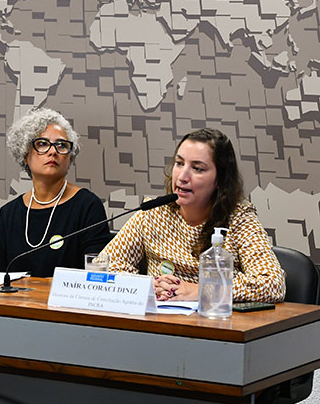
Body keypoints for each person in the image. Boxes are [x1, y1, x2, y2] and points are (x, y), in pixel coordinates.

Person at [102, 128, 285, 302]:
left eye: (197, 168)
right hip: (159, 324)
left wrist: (201, 290)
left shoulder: (240, 219)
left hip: (216, 324)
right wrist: (147, 286)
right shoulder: (153, 213)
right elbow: (102, 267)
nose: (182, 176)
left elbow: (272, 284)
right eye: (179, 163)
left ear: (220, 180)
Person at [0, 108, 111, 275]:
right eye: (42, 144)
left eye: (62, 145)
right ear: (24, 155)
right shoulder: (8, 214)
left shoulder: (87, 206)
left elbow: (96, 274)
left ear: (70, 157)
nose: (53, 152)